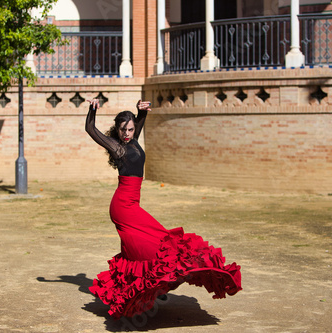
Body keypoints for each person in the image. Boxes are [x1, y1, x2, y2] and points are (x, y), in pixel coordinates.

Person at [85, 98, 242, 319]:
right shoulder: (117, 148)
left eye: (130, 129)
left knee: (149, 247)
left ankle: (142, 293)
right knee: (151, 246)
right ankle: (141, 294)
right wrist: (92, 109)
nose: (128, 133)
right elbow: (90, 129)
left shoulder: (133, 139)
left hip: (132, 205)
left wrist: (142, 111)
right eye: (123, 130)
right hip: (122, 208)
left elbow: (140, 121)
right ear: (117, 131)